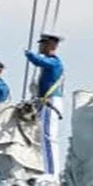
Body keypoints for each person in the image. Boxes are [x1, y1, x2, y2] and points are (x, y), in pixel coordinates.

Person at [24, 32, 64, 175]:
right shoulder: (49, 62)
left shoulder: (54, 62)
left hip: (50, 101)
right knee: (43, 137)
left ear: (51, 45)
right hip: (45, 102)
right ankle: (47, 170)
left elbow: (37, 61)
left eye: (43, 43)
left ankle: (52, 173)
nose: (40, 46)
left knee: (48, 137)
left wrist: (28, 53)